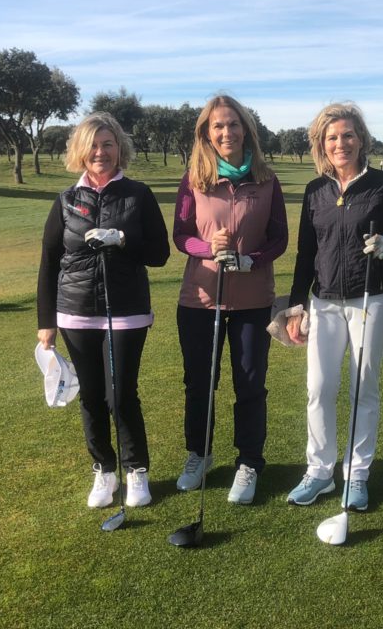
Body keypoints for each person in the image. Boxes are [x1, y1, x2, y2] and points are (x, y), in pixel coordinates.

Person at [37, 112, 170, 510]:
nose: (101, 152)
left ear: (119, 149)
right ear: (81, 150)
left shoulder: (138, 194)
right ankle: (104, 470)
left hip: (127, 311)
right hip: (75, 312)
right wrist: (46, 324)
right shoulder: (66, 201)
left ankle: (136, 470)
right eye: (93, 145)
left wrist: (124, 240)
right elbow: (48, 261)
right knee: (92, 397)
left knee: (121, 394)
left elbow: (160, 254)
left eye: (108, 144)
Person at [283, 102, 383, 511]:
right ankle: (319, 471)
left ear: (361, 139)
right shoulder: (314, 190)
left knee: (363, 387)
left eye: (348, 135)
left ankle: (356, 473)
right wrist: (294, 307)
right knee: (319, 388)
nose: (341, 143)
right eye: (332, 137)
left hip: (370, 299)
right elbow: (306, 252)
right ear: (322, 143)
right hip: (323, 302)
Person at [173, 95, 288, 504]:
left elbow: (279, 239)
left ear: (246, 130)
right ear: (206, 132)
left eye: (233, 125)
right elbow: (181, 235)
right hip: (200, 299)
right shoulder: (193, 178)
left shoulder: (266, 178)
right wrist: (207, 248)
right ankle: (199, 453)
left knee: (250, 385)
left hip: (253, 300)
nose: (226, 132)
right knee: (199, 383)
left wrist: (250, 258)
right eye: (218, 126)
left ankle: (250, 462)